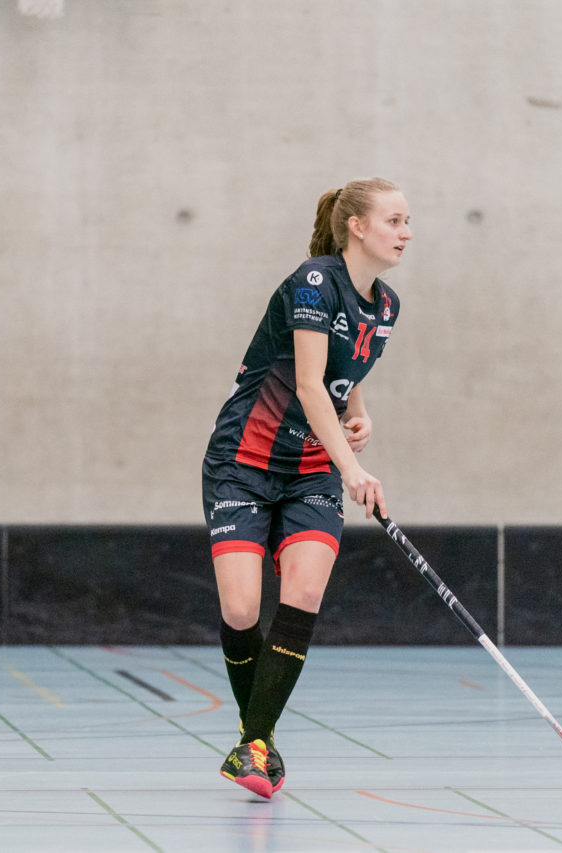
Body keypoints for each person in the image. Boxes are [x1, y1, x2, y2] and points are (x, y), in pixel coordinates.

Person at [201, 177, 412, 799]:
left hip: (311, 468)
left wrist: (360, 414)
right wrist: (353, 469)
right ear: (357, 227)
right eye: (394, 221)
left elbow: (344, 373)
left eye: (408, 222)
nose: (405, 233)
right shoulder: (314, 282)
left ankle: (252, 746)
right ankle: (258, 739)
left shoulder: (387, 306)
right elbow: (310, 383)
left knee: (305, 592)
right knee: (242, 610)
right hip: (244, 460)